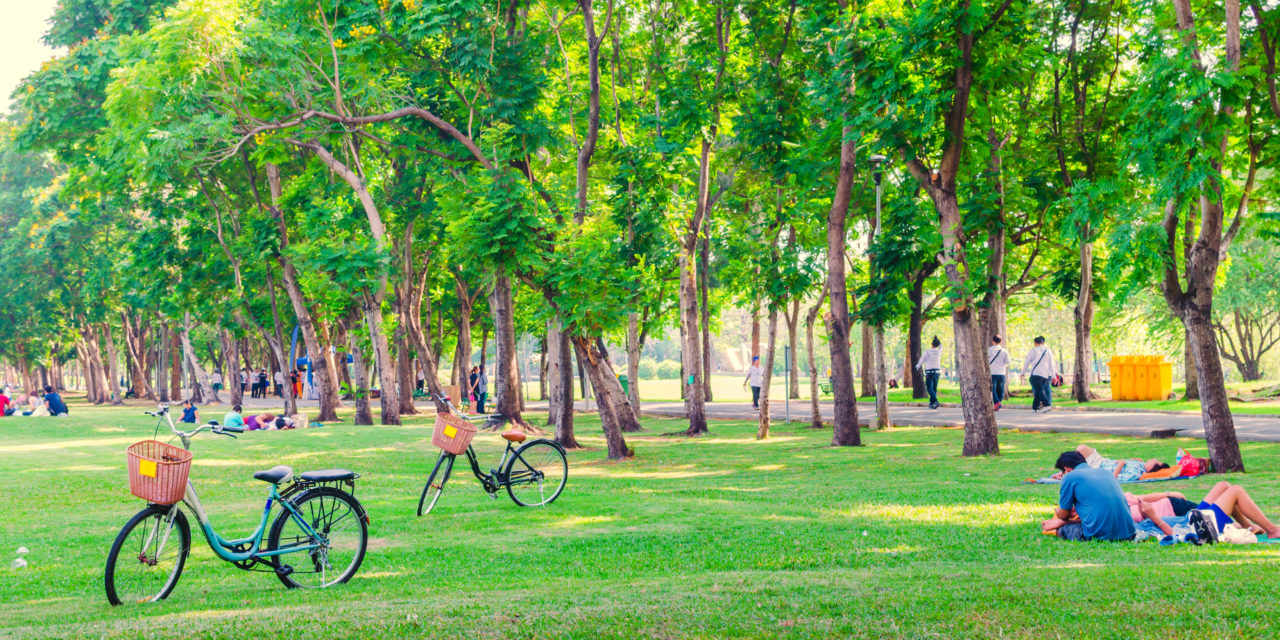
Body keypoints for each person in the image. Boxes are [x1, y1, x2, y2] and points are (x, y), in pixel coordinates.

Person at [1043, 450, 1136, 542]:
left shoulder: (1069, 477)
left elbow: (1063, 515)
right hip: (1129, 533)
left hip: (1099, 535)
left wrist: (1060, 515)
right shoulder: (1107, 473)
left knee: (1063, 529)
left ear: (1067, 470)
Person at [1024, 336, 1056, 412]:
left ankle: (1047, 405)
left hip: (1035, 374)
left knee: (1039, 390)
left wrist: (1023, 372)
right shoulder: (1048, 351)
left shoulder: (1033, 351)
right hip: (1045, 375)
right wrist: (1053, 375)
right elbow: (1052, 364)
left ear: (1035, 343)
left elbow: (1027, 362)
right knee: (1039, 390)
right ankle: (1035, 408)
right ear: (1043, 343)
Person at [916, 336, 943, 409]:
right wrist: (937, 339)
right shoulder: (939, 352)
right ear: (937, 345)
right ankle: (932, 404)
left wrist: (918, 366)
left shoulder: (927, 352)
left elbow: (922, 359)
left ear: (931, 344)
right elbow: (941, 346)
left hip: (929, 372)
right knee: (934, 388)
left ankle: (936, 401)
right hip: (937, 372)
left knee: (929, 388)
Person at [988, 335, 1009, 411]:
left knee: (992, 388)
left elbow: (986, 360)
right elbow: (1007, 362)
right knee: (1000, 389)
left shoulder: (989, 350)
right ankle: (998, 403)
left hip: (992, 372)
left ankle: (997, 403)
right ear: (1001, 342)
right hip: (1002, 373)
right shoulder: (1004, 351)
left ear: (993, 341)